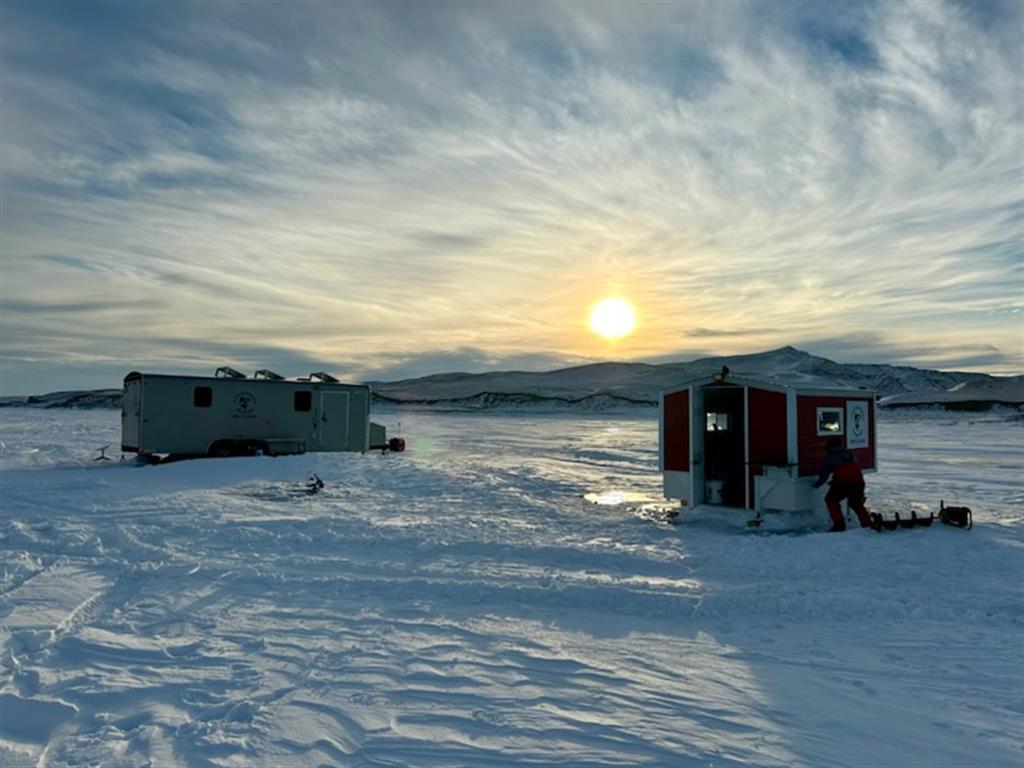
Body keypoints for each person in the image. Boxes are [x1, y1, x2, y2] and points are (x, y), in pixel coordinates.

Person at [812, 437, 870, 532]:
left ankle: (839, 525)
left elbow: (824, 474)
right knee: (857, 504)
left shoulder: (831, 457)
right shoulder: (851, 454)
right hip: (859, 483)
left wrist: (817, 484)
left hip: (843, 484)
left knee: (831, 500)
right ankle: (867, 524)